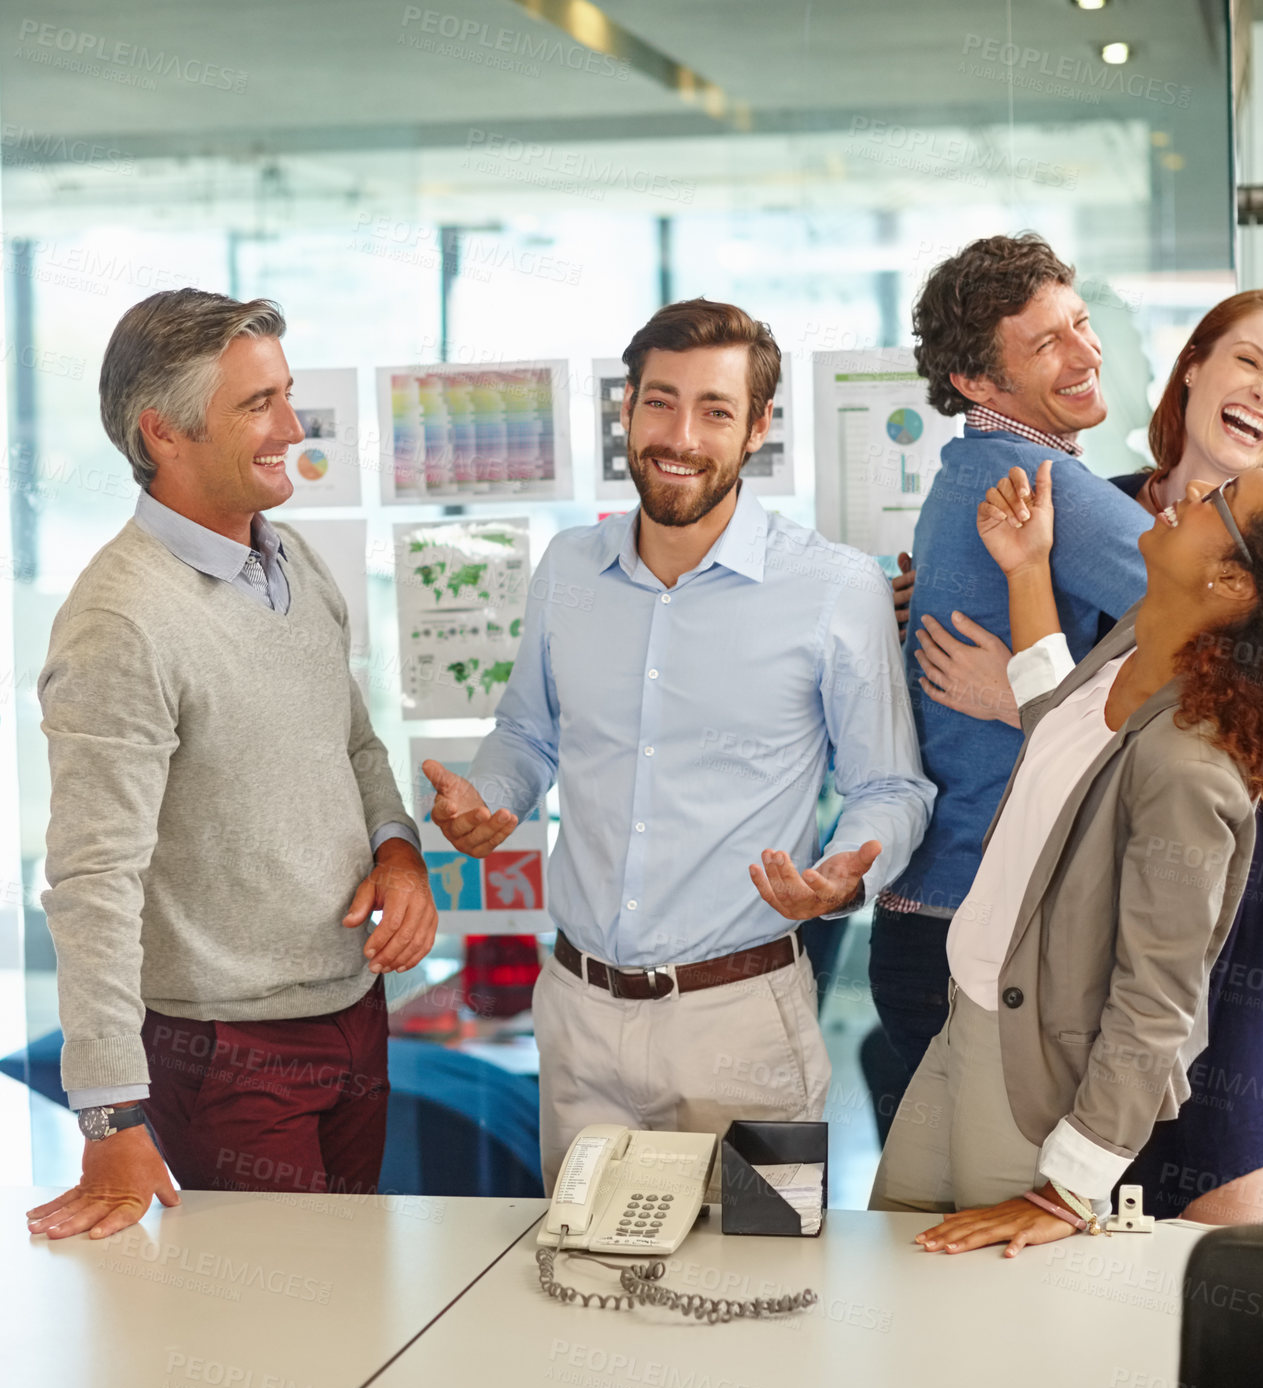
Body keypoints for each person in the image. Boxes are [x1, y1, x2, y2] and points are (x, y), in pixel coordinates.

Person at [422, 298, 935, 1193]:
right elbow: (527, 733)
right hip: (579, 1018)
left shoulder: (833, 588)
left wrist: (846, 871)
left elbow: (891, 784)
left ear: (758, 428)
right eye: (660, 402)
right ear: (627, 407)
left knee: (763, 1300)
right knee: (588, 1281)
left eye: (715, 410)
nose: (680, 436)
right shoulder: (568, 570)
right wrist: (494, 797)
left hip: (743, 1024)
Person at [870, 455, 1263, 1254]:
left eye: (1219, 500)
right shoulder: (1138, 651)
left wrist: (1068, 1192)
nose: (1190, 490)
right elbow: (1066, 725)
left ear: (1230, 585)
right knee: (889, 1264)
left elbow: (1158, 1003)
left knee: (976, 1336)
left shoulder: (1191, 767)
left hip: (1024, 1077)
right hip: (964, 1020)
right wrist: (1027, 571)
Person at [922, 286, 1263, 1222]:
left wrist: (1009, 700)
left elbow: (1253, 719)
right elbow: (1073, 702)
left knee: (1194, 1284)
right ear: (1193, 364)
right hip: (1064, 943)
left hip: (1212, 914)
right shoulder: (1105, 514)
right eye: (1248, 361)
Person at [26, 289, 436, 1242]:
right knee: (275, 1350)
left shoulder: (291, 558)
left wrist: (398, 850)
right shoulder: (120, 623)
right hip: (226, 1051)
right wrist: (112, 1113)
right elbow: (93, 882)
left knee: (352, 1310)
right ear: (161, 432)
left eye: (284, 395)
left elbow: (355, 745)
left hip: (352, 1010)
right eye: (259, 404)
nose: (292, 427)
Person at [869, 233, 1152, 1094]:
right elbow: (1229, 616)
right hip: (981, 930)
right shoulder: (1040, 480)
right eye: (1046, 343)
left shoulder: (970, 467)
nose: (1084, 353)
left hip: (934, 921)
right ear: (978, 385)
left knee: (967, 1210)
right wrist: (1042, 700)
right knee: (1018, 1217)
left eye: (1080, 322)